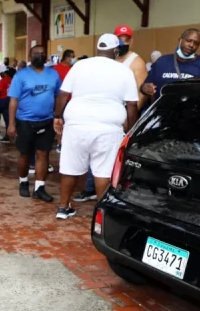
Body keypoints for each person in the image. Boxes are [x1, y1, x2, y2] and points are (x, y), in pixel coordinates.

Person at [53, 34, 139, 219]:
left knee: (69, 167)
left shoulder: (80, 65)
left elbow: (62, 95)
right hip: (108, 127)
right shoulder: (124, 70)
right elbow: (131, 105)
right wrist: (131, 131)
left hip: (76, 123)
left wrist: (57, 117)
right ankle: (101, 213)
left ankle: (63, 208)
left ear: (98, 49)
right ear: (116, 51)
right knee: (103, 170)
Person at [7, 45, 61, 202]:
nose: (39, 55)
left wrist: (58, 115)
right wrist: (11, 124)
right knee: (25, 154)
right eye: (36, 53)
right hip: (25, 121)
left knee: (43, 154)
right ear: (30, 56)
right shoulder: (21, 75)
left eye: (42, 53)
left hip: (47, 120)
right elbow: (13, 100)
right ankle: (23, 182)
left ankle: (39, 187)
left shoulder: (53, 74)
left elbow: (58, 96)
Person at [141, 29, 200, 101]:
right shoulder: (161, 62)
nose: (192, 45)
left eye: (196, 43)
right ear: (180, 40)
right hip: (162, 111)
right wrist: (144, 88)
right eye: (188, 41)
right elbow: (145, 86)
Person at [114, 25, 148, 109]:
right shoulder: (110, 58)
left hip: (126, 109)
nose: (123, 43)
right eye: (119, 40)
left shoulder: (137, 62)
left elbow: (141, 93)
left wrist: (132, 117)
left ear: (131, 41)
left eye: (126, 40)